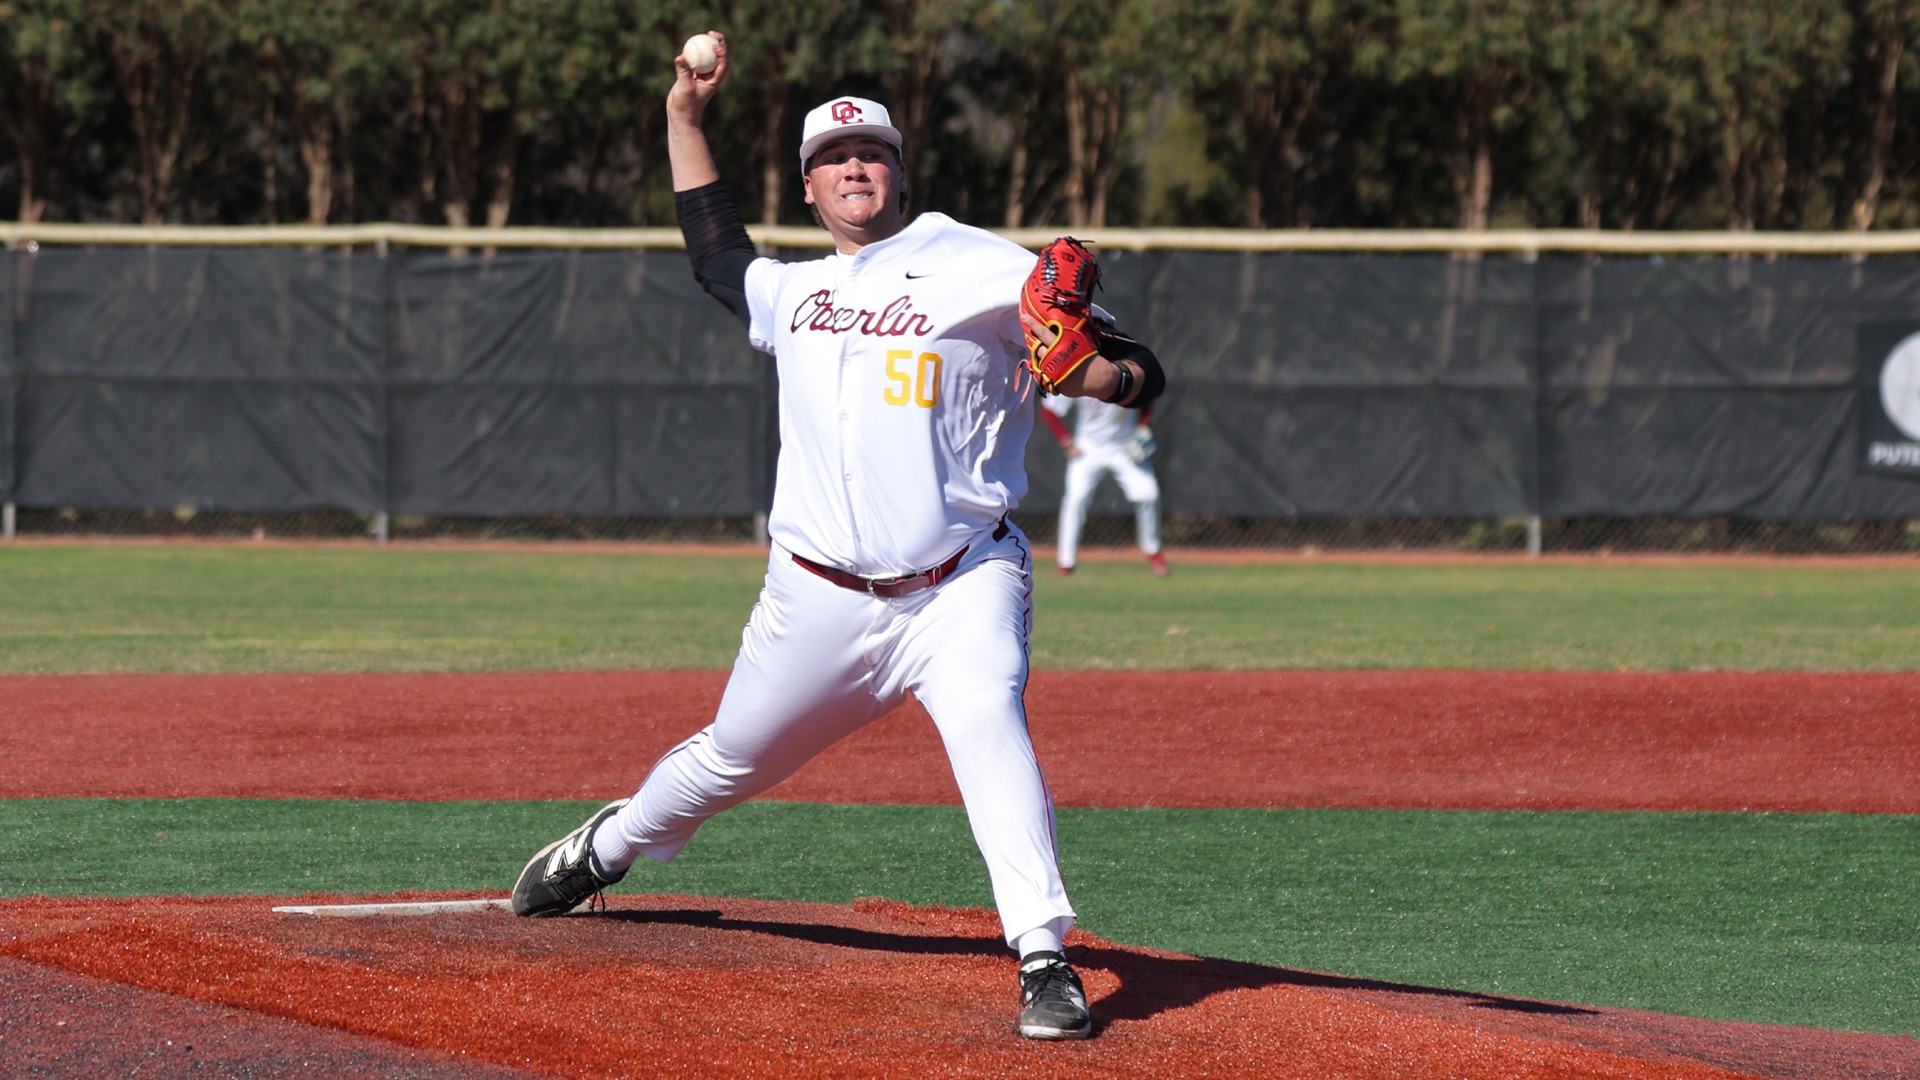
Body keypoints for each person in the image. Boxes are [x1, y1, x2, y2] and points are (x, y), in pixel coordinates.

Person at [509, 30, 1164, 1043]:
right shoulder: (795, 292)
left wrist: (1094, 374)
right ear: (810, 189)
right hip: (815, 596)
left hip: (960, 581)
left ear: (900, 174)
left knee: (990, 723)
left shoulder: (980, 264)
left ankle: (1043, 956)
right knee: (730, 759)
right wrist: (684, 118)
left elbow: (1136, 366)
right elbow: (715, 254)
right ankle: (613, 846)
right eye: (830, 159)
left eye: (871, 153)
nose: (852, 166)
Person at [1041, 393, 1168, 576]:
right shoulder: (1082, 374)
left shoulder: (1127, 369)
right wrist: (1067, 442)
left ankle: (1152, 550)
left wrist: (1142, 427)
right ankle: (1066, 561)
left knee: (1148, 494)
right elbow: (1049, 408)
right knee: (1075, 499)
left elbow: (1146, 397)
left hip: (1124, 446)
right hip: (1088, 447)